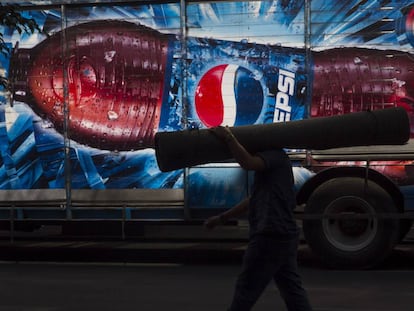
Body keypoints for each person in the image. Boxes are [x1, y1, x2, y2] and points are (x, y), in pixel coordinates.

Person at [204, 126, 312, 311]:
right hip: (283, 234)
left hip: (270, 233)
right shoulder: (277, 163)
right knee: (292, 291)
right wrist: (222, 218)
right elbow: (253, 199)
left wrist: (229, 138)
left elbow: (248, 163)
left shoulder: (273, 156)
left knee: (247, 289)